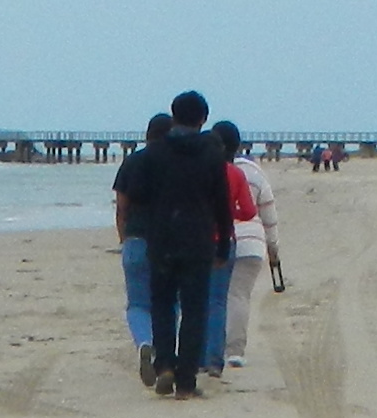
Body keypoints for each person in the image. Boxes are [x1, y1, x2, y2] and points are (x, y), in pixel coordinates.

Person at [120, 88, 237, 397]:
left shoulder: (155, 154)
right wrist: (224, 242)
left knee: (162, 306)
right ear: (203, 119)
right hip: (198, 241)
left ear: (174, 117)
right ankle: (186, 381)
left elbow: (139, 196)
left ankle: (165, 366)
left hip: (161, 239)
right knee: (195, 309)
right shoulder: (212, 154)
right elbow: (222, 203)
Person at [208, 121, 280, 377]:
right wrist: (273, 248)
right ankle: (235, 351)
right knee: (239, 295)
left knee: (216, 297)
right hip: (253, 242)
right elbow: (267, 213)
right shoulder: (254, 172)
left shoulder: (210, 170)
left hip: (219, 240)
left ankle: (212, 349)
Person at [108, 116, 173, 385]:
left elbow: (121, 205)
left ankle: (144, 343)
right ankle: (167, 355)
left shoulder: (132, 162)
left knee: (137, 303)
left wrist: (123, 236)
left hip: (136, 237)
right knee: (169, 302)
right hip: (169, 240)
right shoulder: (175, 163)